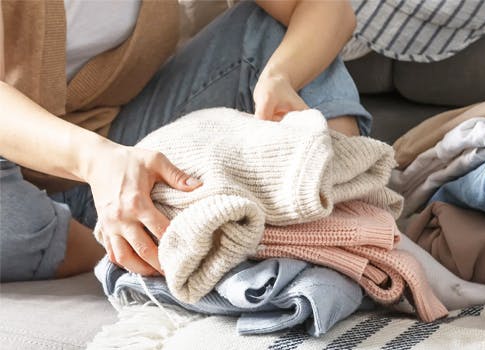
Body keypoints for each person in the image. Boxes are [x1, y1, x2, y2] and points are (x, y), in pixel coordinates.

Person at [0, 0, 371, 281]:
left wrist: (280, 76)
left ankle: (350, 226)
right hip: (32, 169)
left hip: (123, 151)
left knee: (266, 31)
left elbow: (327, 9)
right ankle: (102, 246)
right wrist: (96, 161)